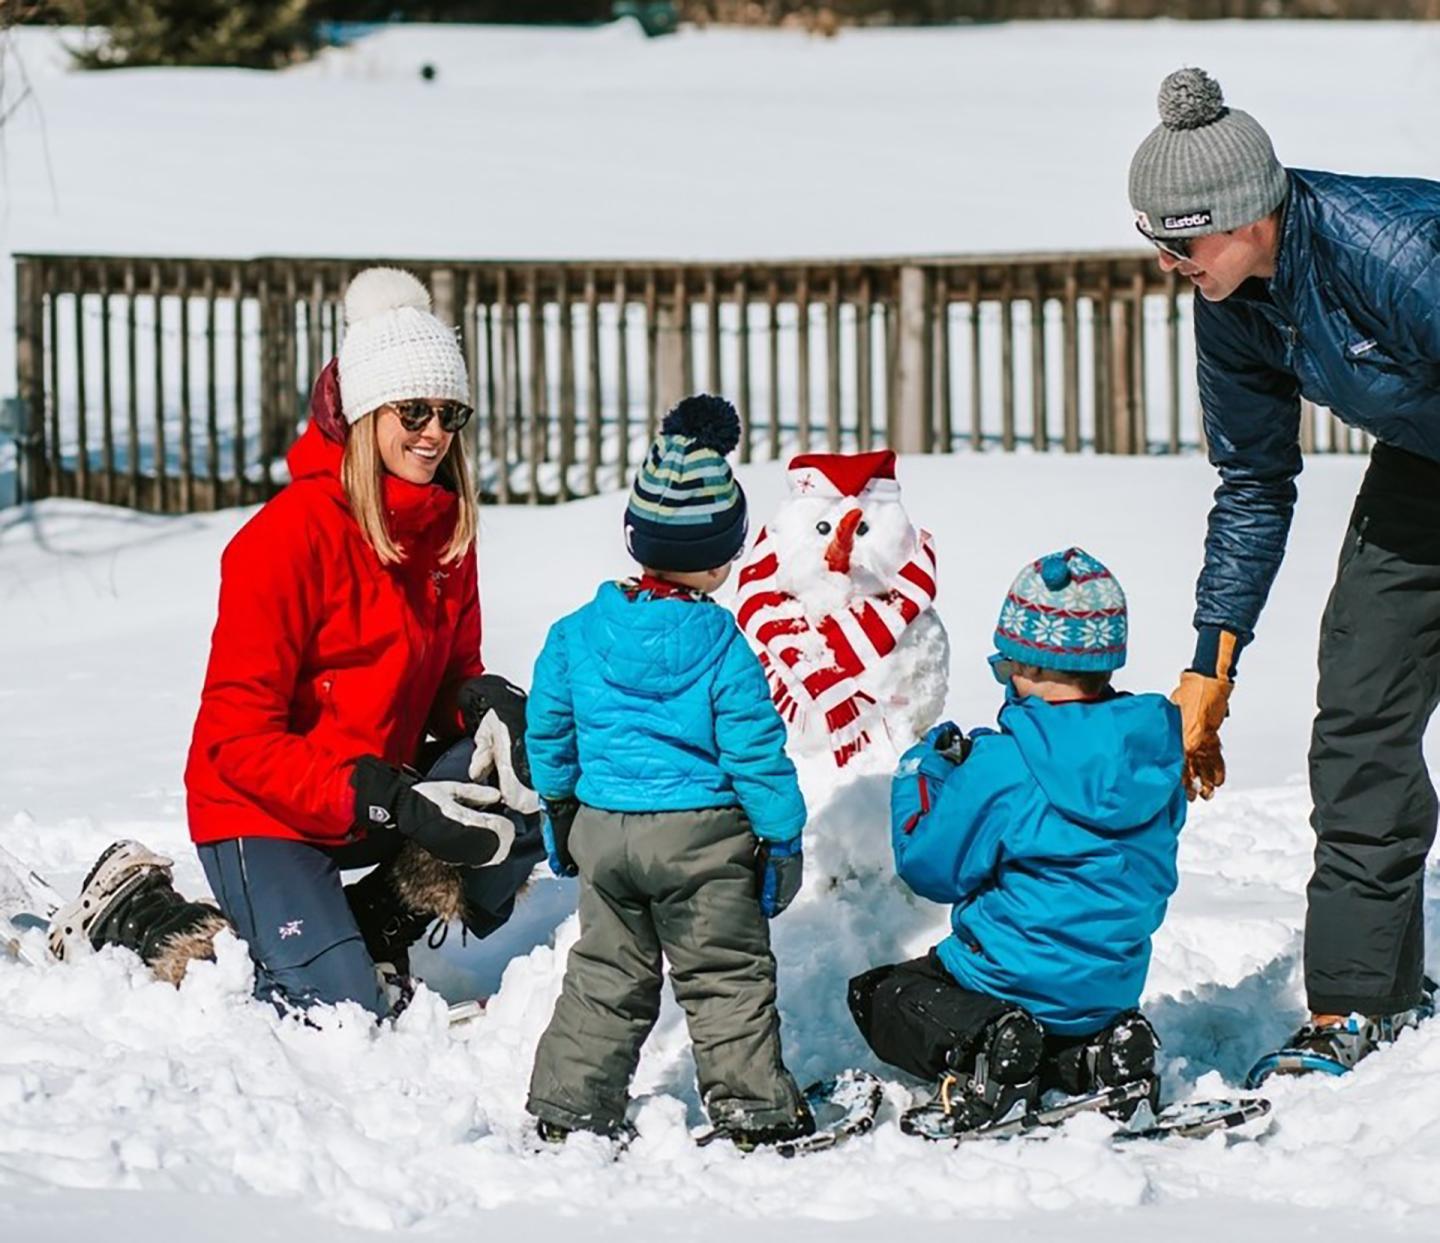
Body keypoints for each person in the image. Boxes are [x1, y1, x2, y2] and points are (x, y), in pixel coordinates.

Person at [51, 268, 544, 1017]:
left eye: (451, 413)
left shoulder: (446, 528)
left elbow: (450, 673)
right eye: (414, 409)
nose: (435, 432)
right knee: (337, 1010)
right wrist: (383, 797)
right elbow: (235, 741)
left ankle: (375, 926)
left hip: (371, 796)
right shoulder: (282, 540)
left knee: (517, 789)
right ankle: (145, 920)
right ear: (367, 411)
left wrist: (478, 701)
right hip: (263, 809)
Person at [1127, 68, 1440, 1078]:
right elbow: (1255, 481)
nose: (1171, 264)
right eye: (1158, 245)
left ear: (1248, 213)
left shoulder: (1397, 250)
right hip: (1425, 468)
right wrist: (1210, 661)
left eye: (1183, 242)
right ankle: (1361, 999)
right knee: (1359, 715)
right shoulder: (1232, 303)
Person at [523, 394, 812, 1148]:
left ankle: (570, 1106)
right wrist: (783, 838)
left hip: (607, 834)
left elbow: (547, 728)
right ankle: (754, 1106)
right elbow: (756, 751)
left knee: (605, 976)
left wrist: (559, 809)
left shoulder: (575, 633)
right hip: (702, 844)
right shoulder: (722, 645)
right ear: (722, 557)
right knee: (723, 976)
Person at [848, 550, 1186, 1135]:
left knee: (881, 995)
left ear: (1026, 666)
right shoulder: (1153, 757)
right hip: (1106, 988)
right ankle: (1097, 1053)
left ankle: (990, 1044)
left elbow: (929, 868)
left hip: (1005, 978)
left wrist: (921, 776)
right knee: (1061, 1018)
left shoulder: (1005, 766)